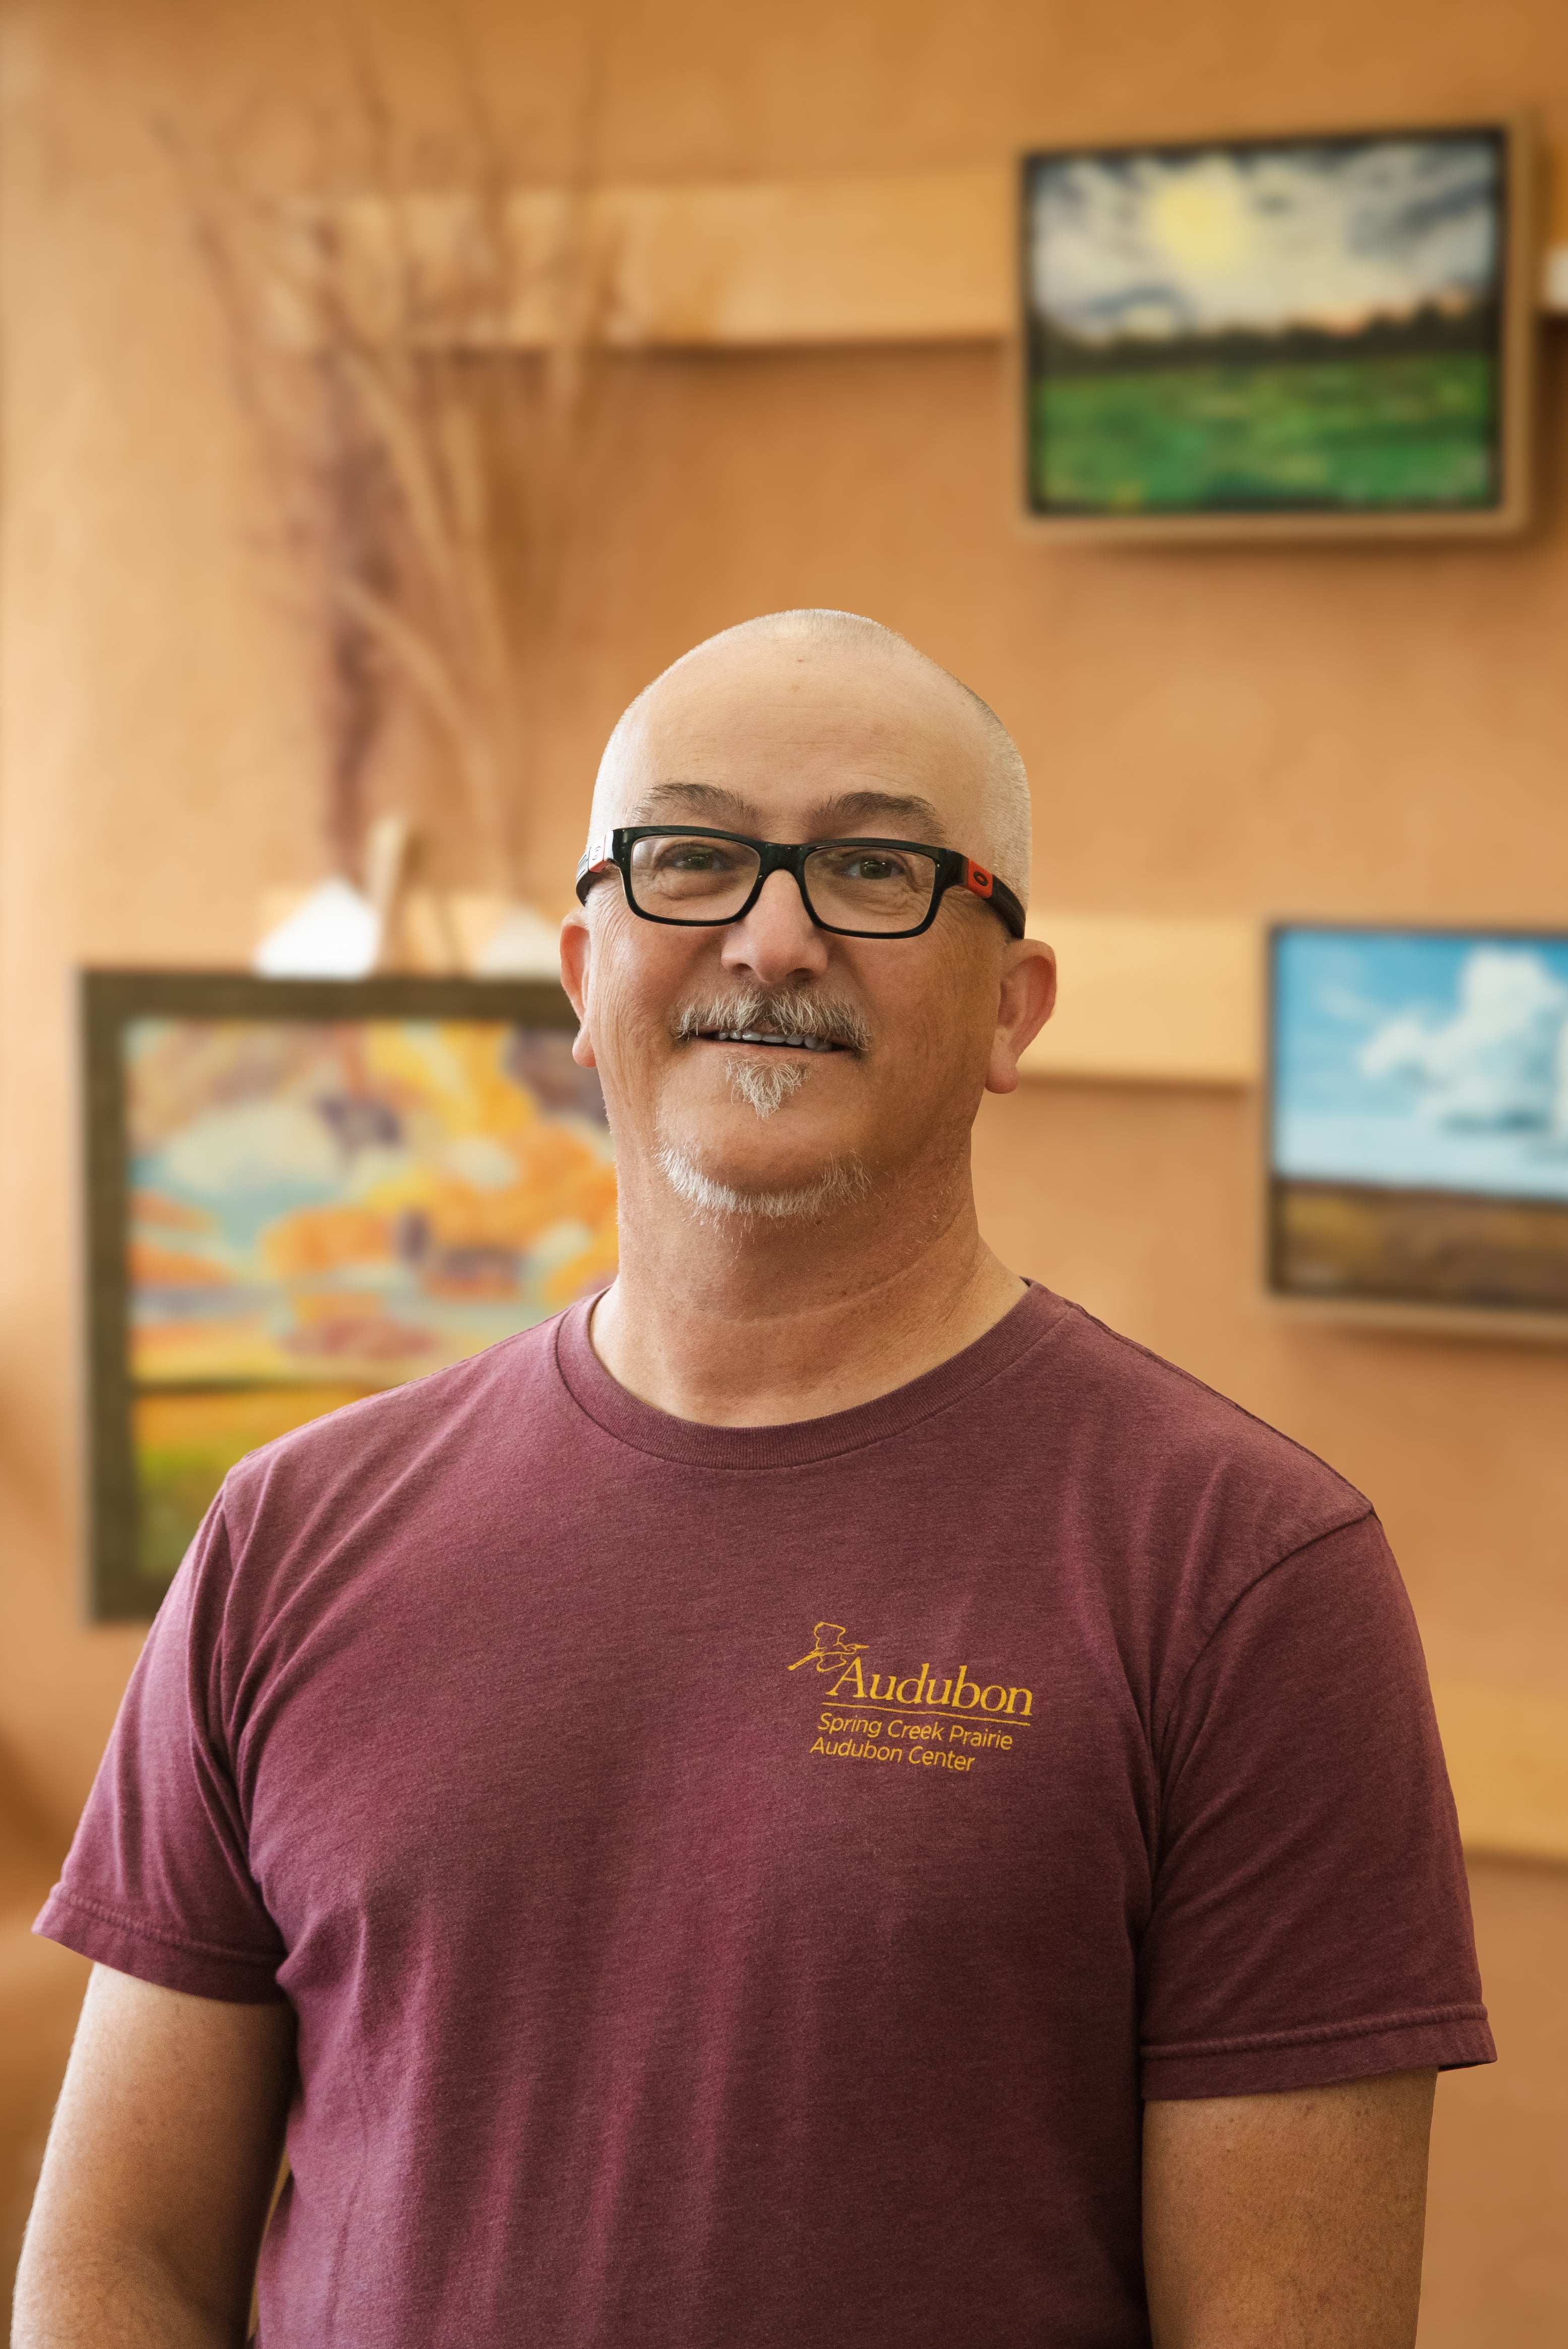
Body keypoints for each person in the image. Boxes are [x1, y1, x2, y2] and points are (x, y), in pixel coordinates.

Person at [20, 610, 1491, 2348]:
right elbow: (117, 2270)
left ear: (1011, 1006)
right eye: (694, 857)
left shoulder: (1247, 1576)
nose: (774, 937)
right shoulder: (288, 1533)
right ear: (586, 976)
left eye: (875, 868)